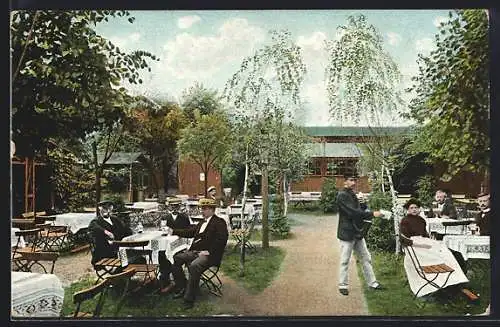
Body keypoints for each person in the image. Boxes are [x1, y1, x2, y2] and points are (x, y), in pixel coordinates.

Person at [168, 198, 228, 309]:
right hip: (195, 252)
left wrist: (209, 251)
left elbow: (222, 240)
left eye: (204, 209)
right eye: (201, 208)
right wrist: (174, 231)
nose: (202, 211)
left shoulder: (219, 222)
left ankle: (188, 300)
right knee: (176, 258)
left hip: (210, 256)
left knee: (194, 265)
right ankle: (182, 287)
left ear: (211, 209)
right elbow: (190, 232)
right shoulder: (201, 222)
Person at [336, 173, 383, 296]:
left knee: (366, 258)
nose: (354, 182)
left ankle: (372, 283)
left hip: (357, 232)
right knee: (345, 260)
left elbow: (360, 211)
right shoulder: (342, 196)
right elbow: (352, 213)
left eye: (355, 180)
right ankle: (343, 285)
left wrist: (363, 204)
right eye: (351, 180)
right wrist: (372, 213)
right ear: (345, 182)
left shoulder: (353, 194)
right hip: (347, 233)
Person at [399, 198, 468, 274]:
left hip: (425, 243)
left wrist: (431, 241)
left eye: (416, 208)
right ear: (408, 209)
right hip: (415, 247)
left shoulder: (421, 220)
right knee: (443, 254)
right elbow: (404, 239)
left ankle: (459, 276)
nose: (414, 210)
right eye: (411, 208)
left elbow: (425, 235)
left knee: (455, 253)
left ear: (419, 209)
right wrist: (421, 245)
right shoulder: (405, 221)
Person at [158, 198, 192, 293]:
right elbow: (161, 230)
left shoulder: (184, 217)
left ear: (179, 207)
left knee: (174, 257)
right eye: (172, 206)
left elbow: (189, 232)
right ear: (169, 207)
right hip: (168, 242)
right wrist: (163, 229)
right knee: (161, 254)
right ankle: (165, 280)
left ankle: (180, 283)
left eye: (176, 206)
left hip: (181, 244)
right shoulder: (165, 218)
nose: (174, 208)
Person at [88, 200, 134, 266]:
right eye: (104, 209)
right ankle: (123, 266)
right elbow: (93, 227)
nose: (107, 211)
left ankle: (128, 266)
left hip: (119, 244)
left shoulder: (115, 219)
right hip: (106, 248)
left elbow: (125, 228)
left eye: (109, 209)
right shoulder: (96, 221)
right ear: (100, 210)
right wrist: (107, 232)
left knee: (135, 252)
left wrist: (131, 235)